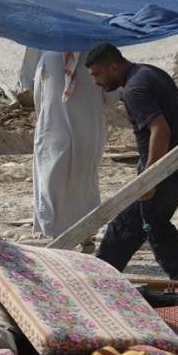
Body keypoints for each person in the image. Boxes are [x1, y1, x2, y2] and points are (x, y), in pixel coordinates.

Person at [85, 43, 178, 281]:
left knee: (123, 229)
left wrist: (149, 179)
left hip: (167, 172)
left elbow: (160, 130)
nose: (96, 82)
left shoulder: (134, 90)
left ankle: (97, 283)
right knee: (157, 226)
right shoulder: (150, 71)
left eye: (97, 74)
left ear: (113, 66)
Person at [18, 49, 119, 242]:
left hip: (52, 136)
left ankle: (57, 236)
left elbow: (38, 99)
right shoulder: (97, 58)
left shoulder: (48, 58)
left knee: (53, 187)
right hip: (88, 136)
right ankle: (86, 235)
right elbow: (111, 98)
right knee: (85, 186)